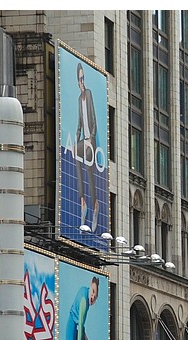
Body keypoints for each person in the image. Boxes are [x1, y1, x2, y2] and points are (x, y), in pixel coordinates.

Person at [75, 63, 99, 232]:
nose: (82, 81)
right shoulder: (78, 98)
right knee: (76, 155)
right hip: (83, 139)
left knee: (89, 169)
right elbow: (79, 122)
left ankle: (95, 204)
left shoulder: (89, 94)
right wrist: (76, 139)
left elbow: (93, 120)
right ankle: (82, 201)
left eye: (83, 78)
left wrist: (91, 137)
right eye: (80, 79)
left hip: (91, 139)